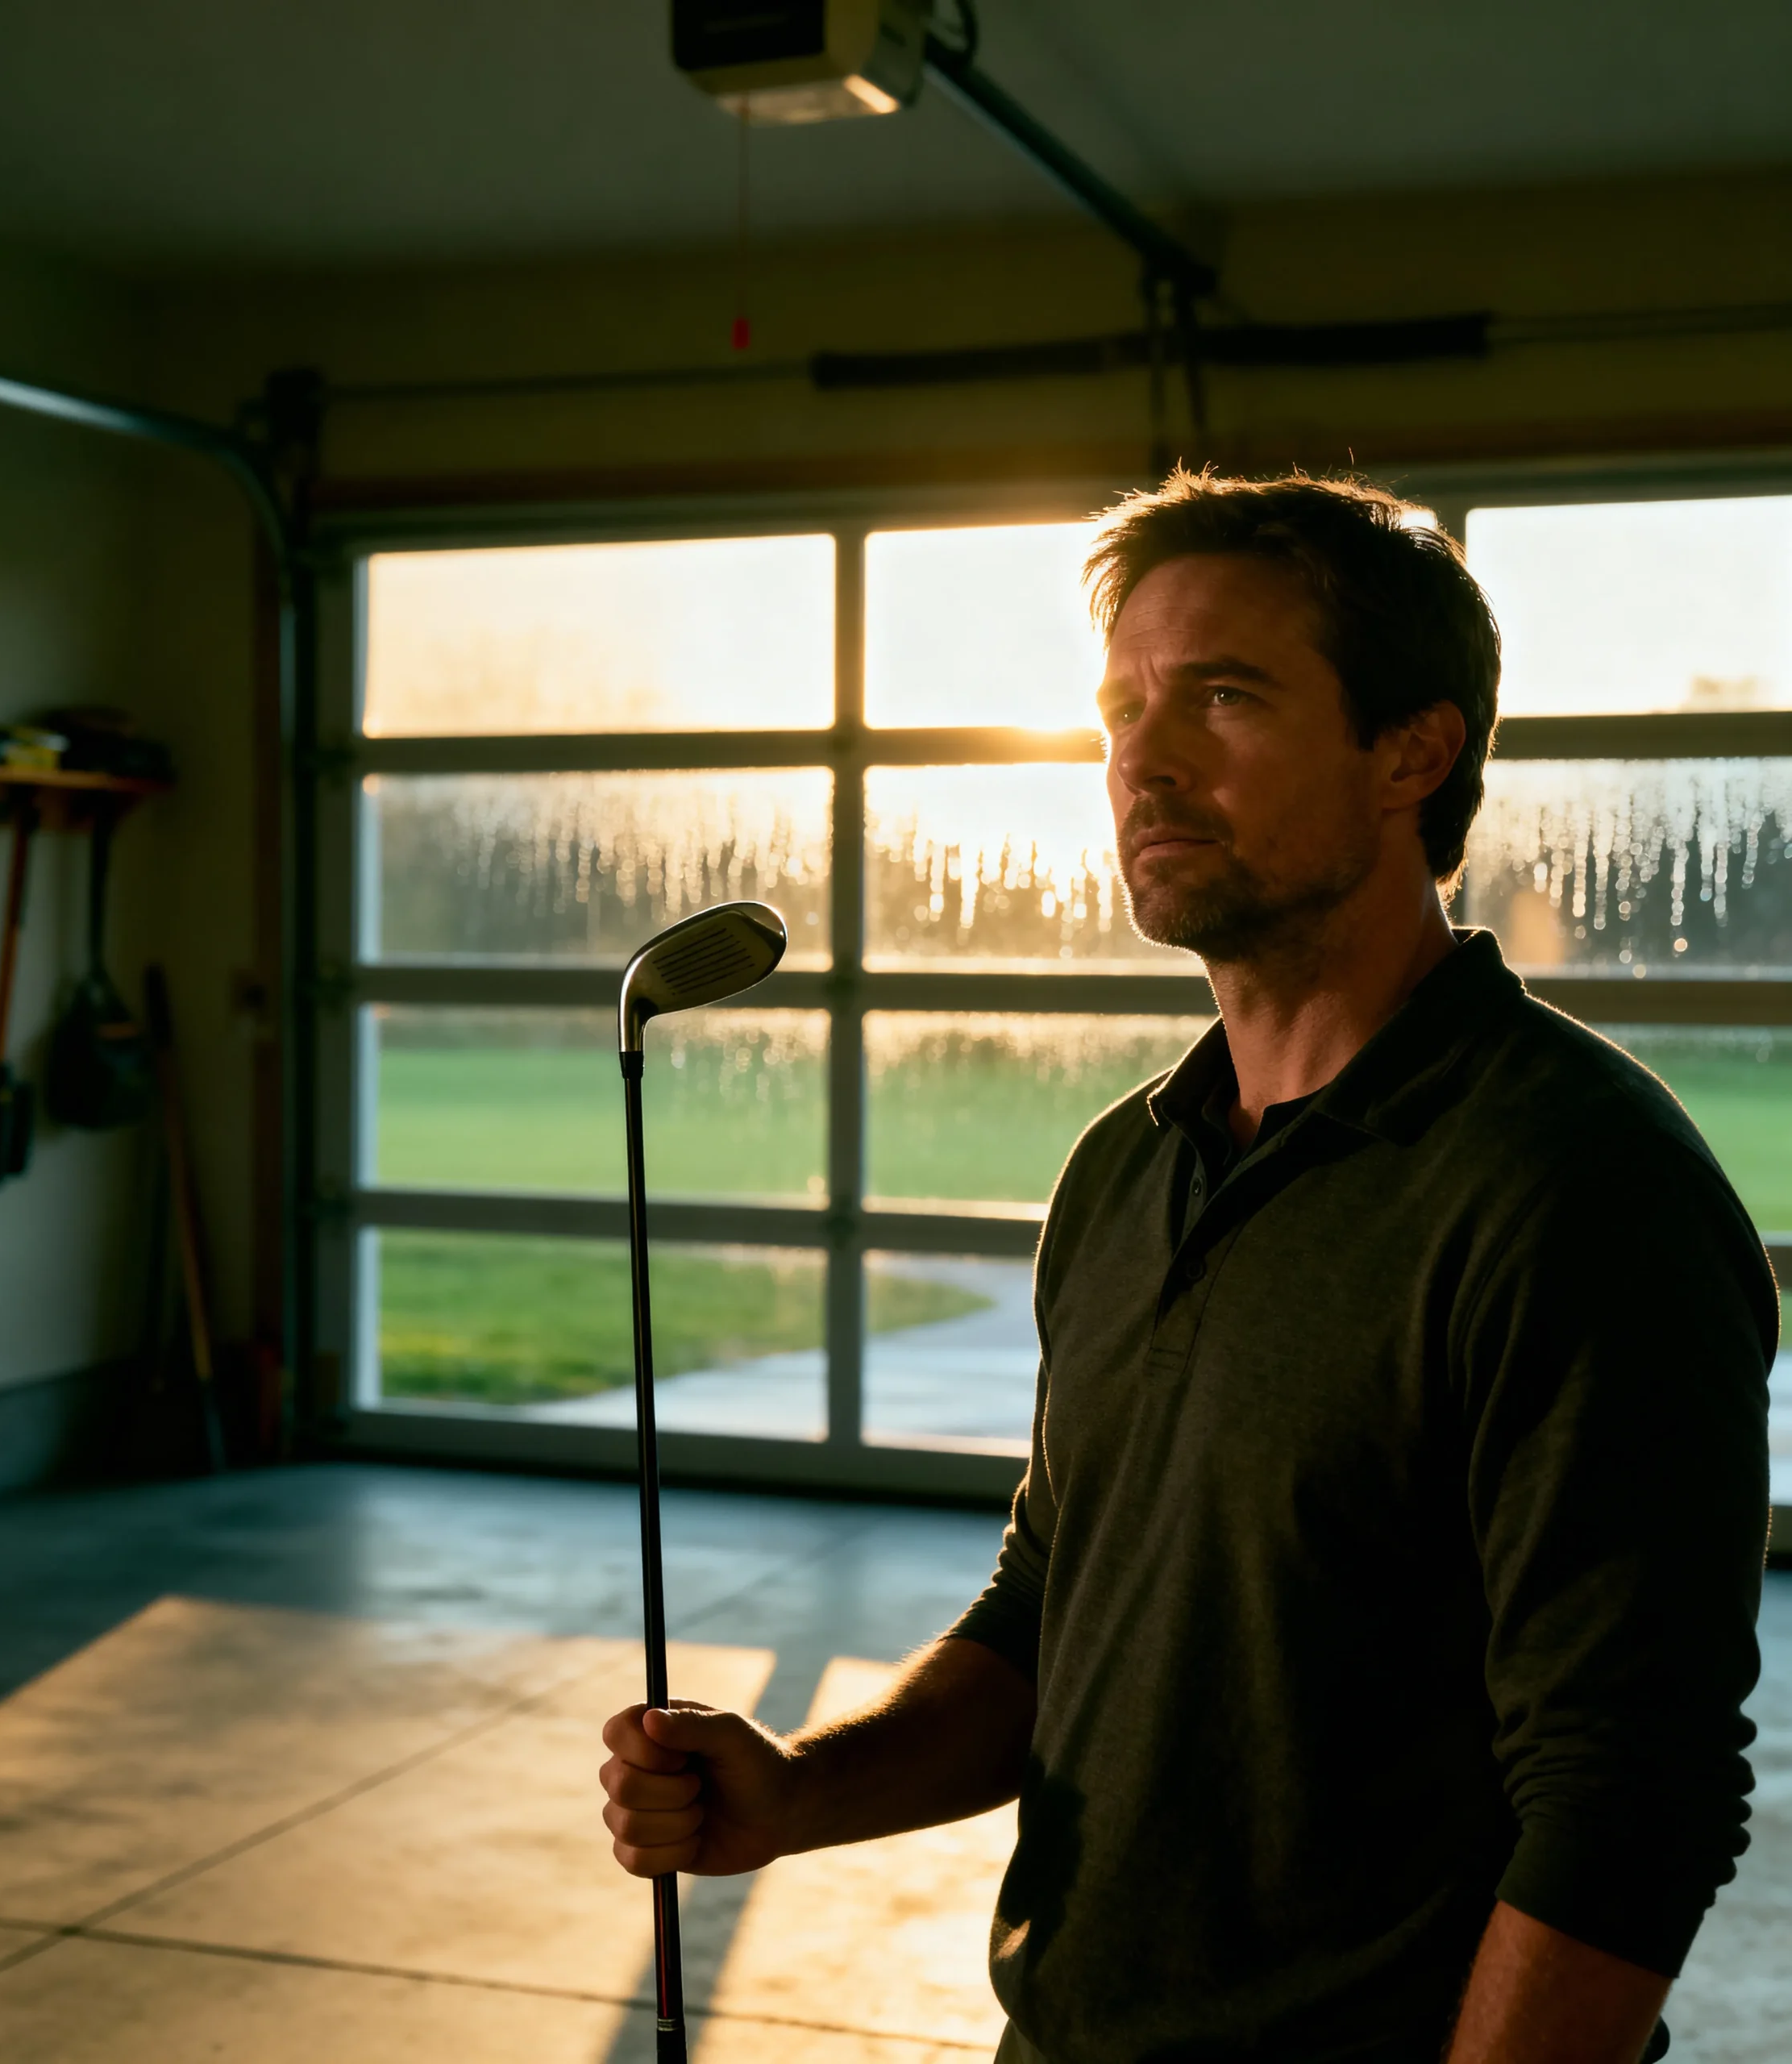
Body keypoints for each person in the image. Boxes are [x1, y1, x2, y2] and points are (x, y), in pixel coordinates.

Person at [599, 471, 1774, 2064]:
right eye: (1118, 707)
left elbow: (1626, 1790)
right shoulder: (1121, 1167)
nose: (1139, 759)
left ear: (1408, 750)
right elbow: (1050, 1602)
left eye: (1221, 697)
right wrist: (802, 1787)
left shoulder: (1575, 1187)